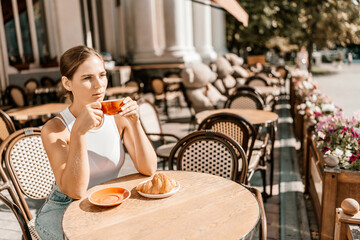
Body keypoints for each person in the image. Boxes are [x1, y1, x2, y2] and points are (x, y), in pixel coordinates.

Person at [35, 45, 157, 240]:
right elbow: (76, 191)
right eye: (87, 78)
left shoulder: (117, 116)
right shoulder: (55, 129)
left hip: (108, 202)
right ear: (67, 83)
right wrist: (79, 133)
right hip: (63, 209)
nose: (99, 85)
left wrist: (135, 123)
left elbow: (149, 169)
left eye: (102, 75)